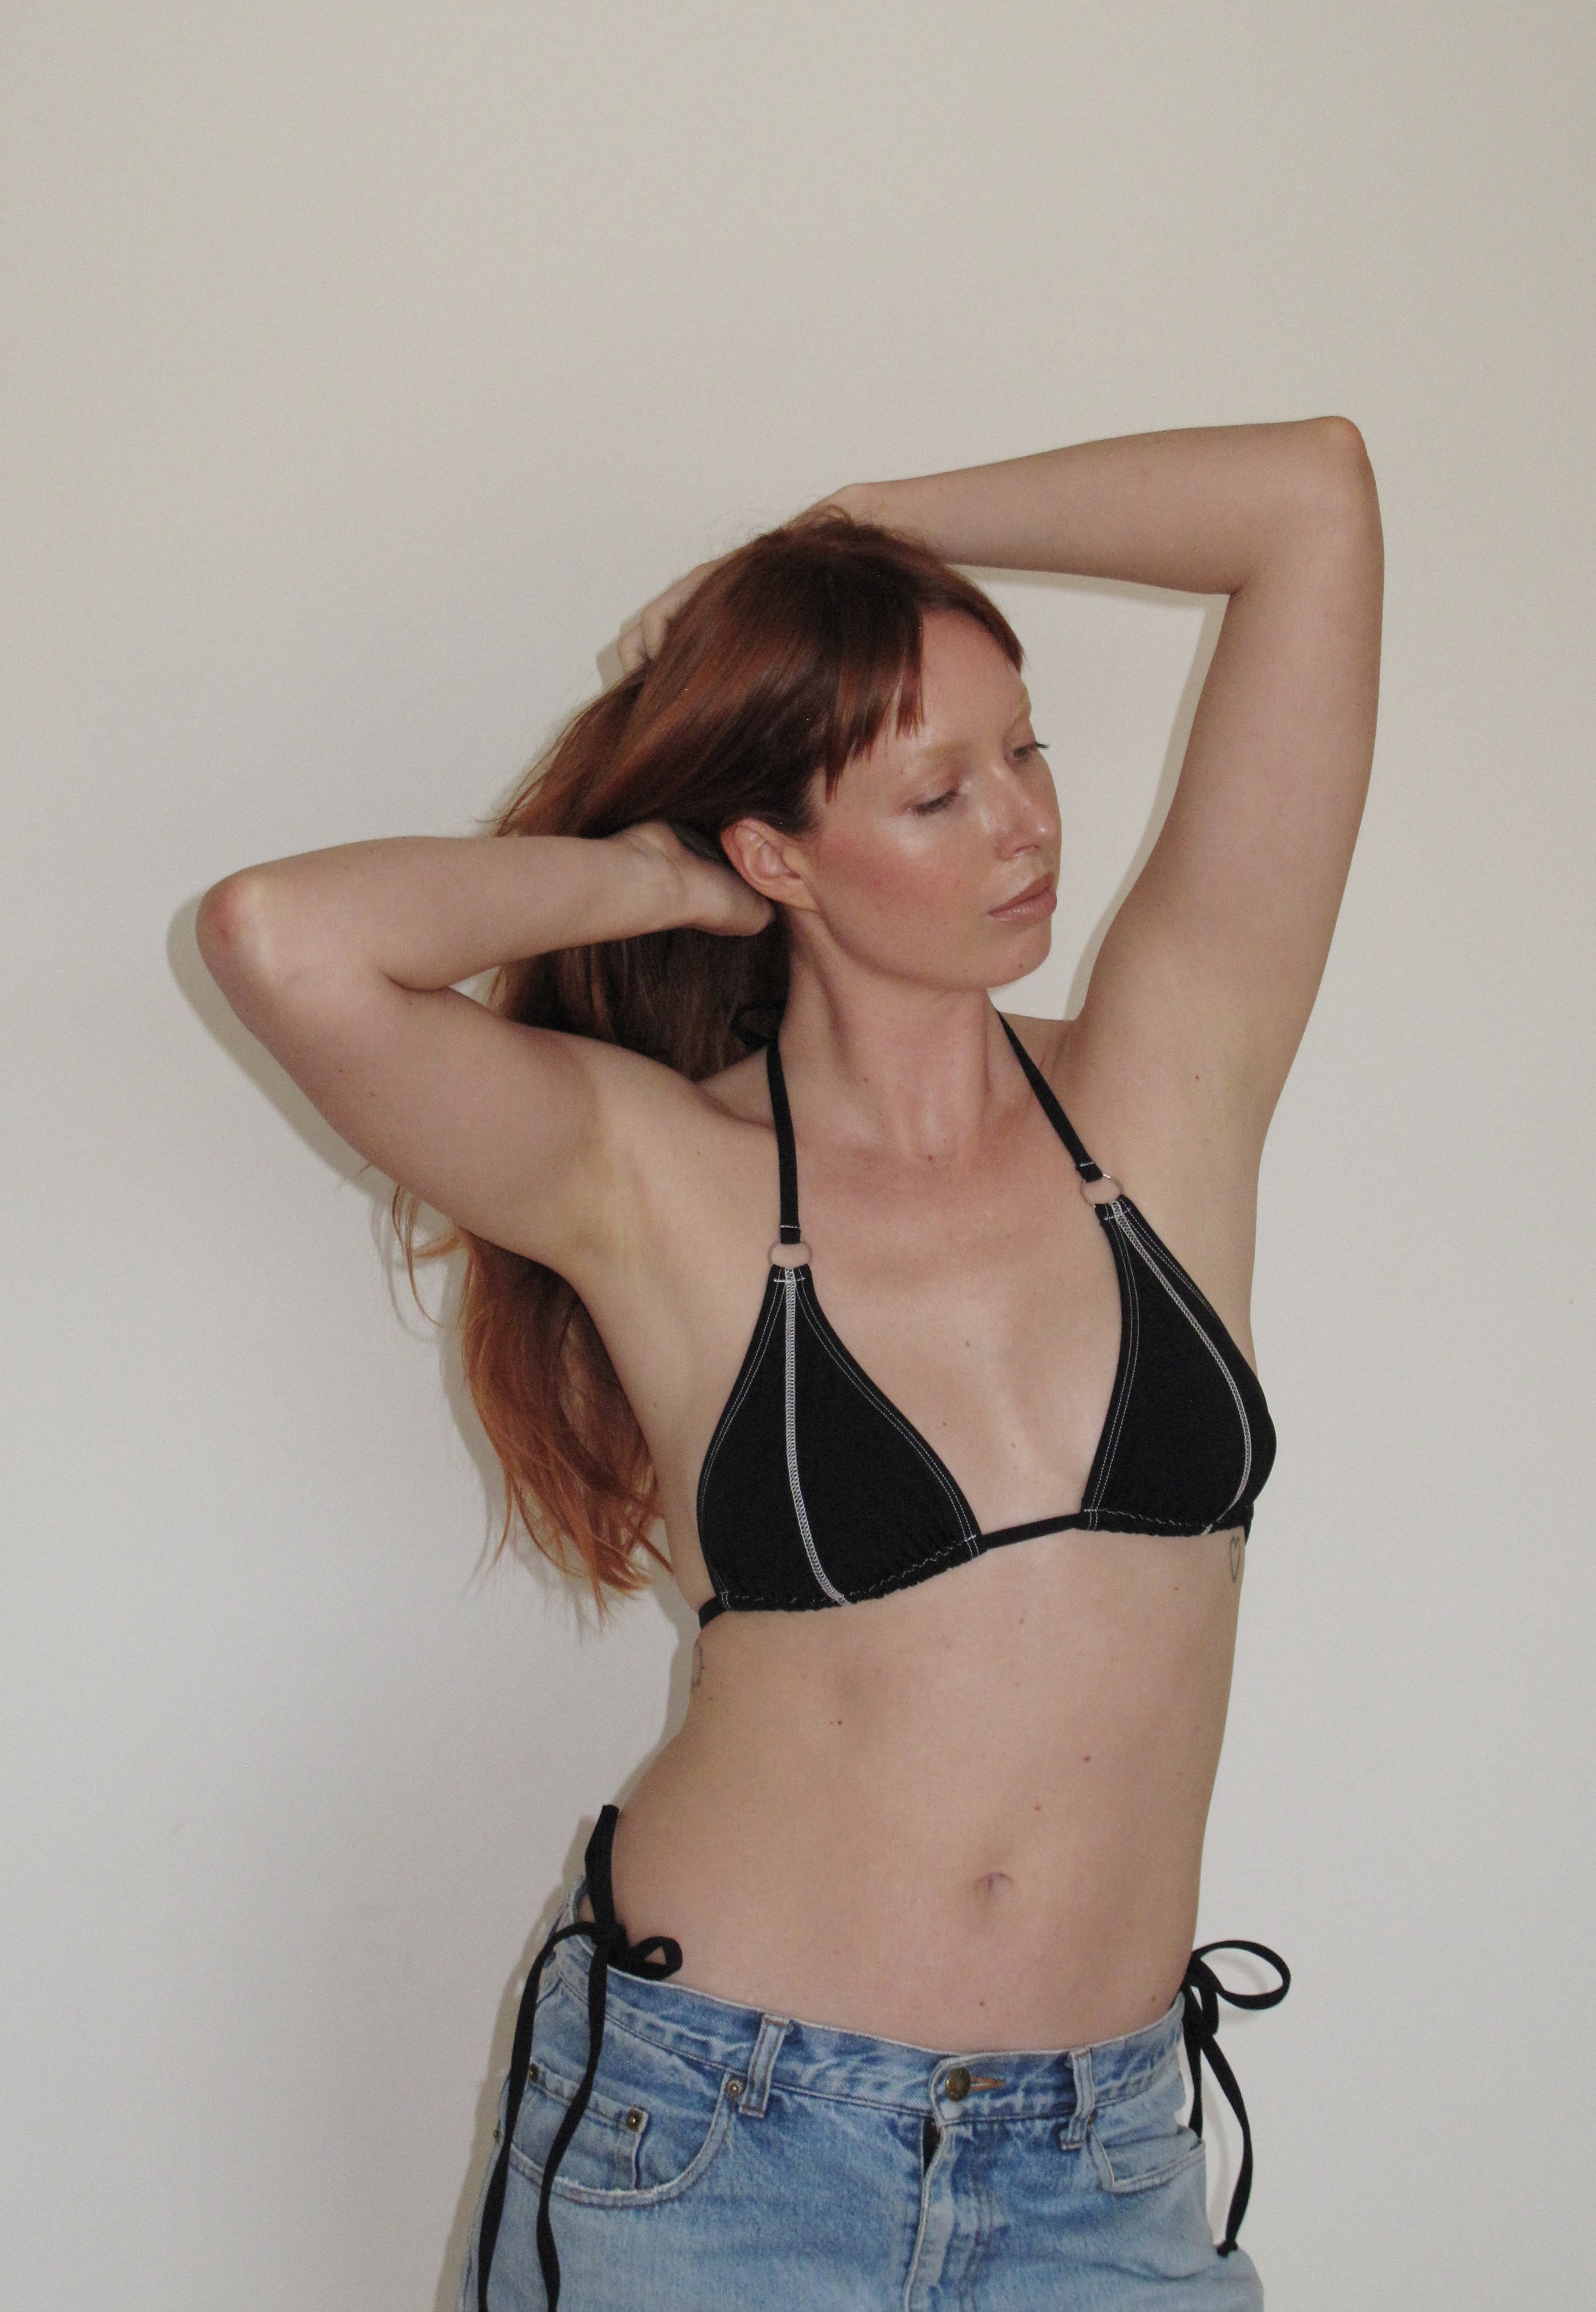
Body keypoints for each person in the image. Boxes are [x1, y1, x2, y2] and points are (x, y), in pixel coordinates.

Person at [197, 420, 1382, 2310]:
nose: (1024, 825)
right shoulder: (655, 1173)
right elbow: (281, 938)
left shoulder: (1174, 1080)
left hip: (1102, 2162)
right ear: (777, 853)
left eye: (1026, 751)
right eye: (936, 794)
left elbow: (1309, 498)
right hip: (720, 2143)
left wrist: (853, 532)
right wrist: (664, 885)